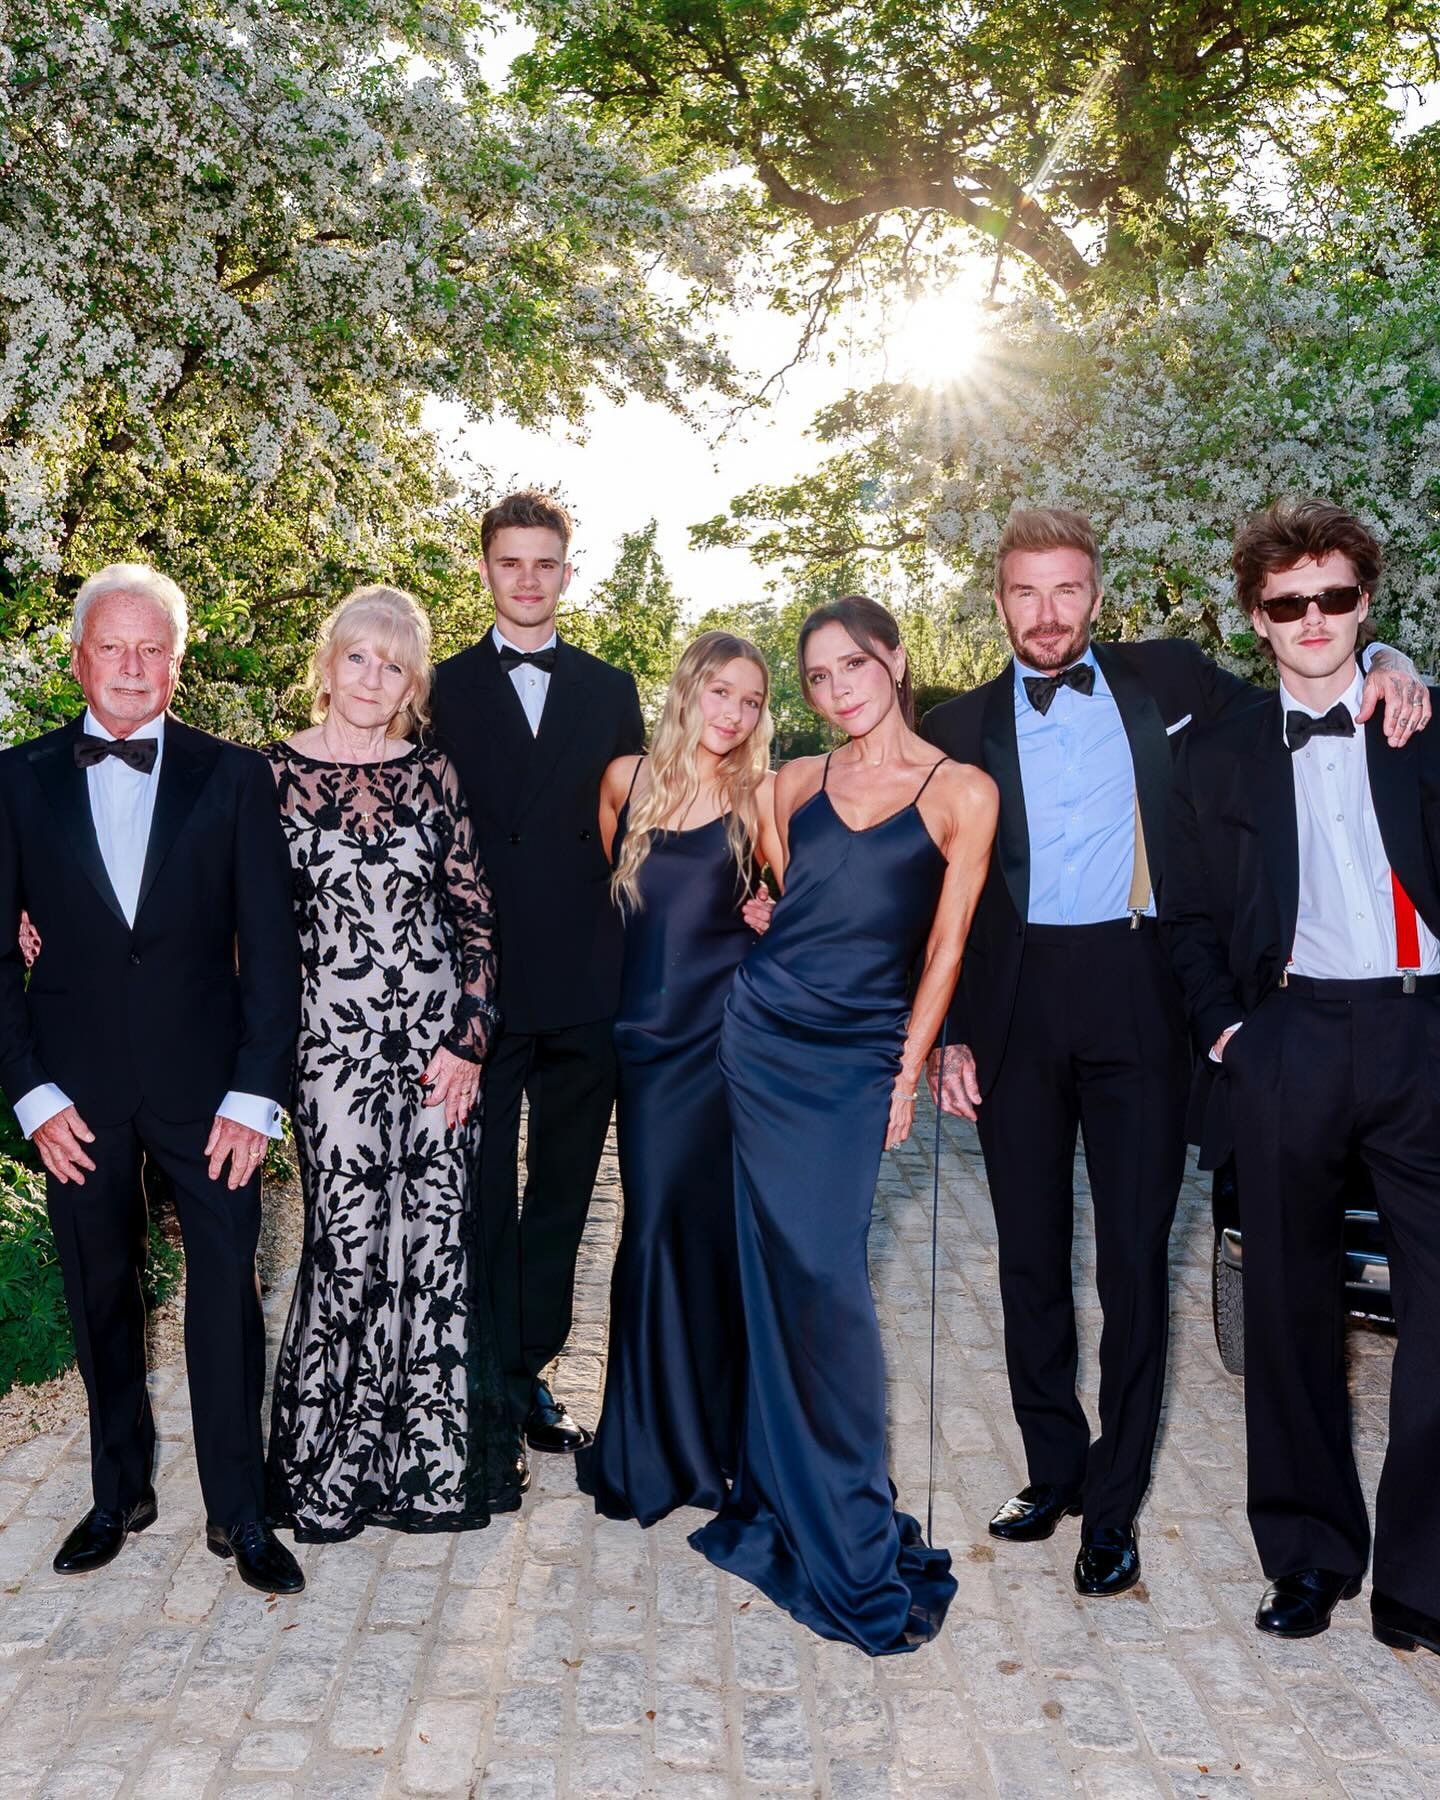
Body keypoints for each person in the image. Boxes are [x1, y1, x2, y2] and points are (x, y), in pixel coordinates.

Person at [920, 507, 1430, 1599]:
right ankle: (1051, 1465)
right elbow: (921, 877)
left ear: (1097, 595)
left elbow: (1315, 672)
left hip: (1143, 1000)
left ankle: (1115, 1505)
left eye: (1068, 590)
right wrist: (949, 1030)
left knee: (1133, 1266)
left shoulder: (1175, 683)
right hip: (1014, 1007)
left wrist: (1392, 658)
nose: (1048, 613)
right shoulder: (957, 727)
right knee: (1026, 1258)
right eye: (1026, 592)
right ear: (999, 602)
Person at [690, 596, 997, 1655]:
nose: (834, 691)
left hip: (861, 1059)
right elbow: (789, 898)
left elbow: (946, 948)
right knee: (777, 1275)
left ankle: (851, 1524)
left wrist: (909, 1070)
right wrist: (767, 916)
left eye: (850, 668)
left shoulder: (961, 790)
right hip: (763, 1040)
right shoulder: (792, 784)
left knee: (827, 1280)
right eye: (815, 679)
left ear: (895, 661)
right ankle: (781, 1493)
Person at [1164, 500, 1440, 1654]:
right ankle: (1309, 1557)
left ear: (1365, 604)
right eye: (1290, 603)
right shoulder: (1211, 753)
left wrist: (1401, 669)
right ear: (1257, 621)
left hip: (1424, 1034)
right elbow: (1184, 916)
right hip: (1288, 1041)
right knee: (1286, 1311)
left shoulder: (1420, 720)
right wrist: (1231, 1035)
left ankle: (1422, 1580)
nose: (1315, 618)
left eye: (1336, 597)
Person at [0, 565, 304, 1594]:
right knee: (100, 1292)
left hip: (212, 1092)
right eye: (112, 647)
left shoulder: (234, 778)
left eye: (152, 649)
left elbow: (271, 952)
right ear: (77, 656)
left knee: (227, 1293)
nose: (131, 668)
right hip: (75, 1097)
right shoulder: (16, 778)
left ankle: (241, 1515)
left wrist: (258, 1095)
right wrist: (32, 1094)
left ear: (178, 659)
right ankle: (116, 1492)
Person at [263, 586, 523, 1540]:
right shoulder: (271, 778)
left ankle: (424, 1473)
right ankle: (326, 1469)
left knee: (432, 1246)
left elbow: (476, 918)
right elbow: (224, 918)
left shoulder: (433, 776)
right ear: (328, 662)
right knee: (344, 1242)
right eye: (359, 658)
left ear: (413, 683)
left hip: (436, 1053)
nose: (374, 679)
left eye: (395, 665)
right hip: (327, 1049)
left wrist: (469, 1039)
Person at [431, 492, 645, 1470]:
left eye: (543, 563)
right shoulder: (436, 687)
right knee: (482, 1199)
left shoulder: (609, 689)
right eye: (509, 562)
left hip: (585, 984)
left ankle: (528, 1377)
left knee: (563, 1197)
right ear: (485, 569)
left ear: (566, 571)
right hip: (475, 997)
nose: (526, 579)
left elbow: (652, 829)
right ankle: (485, 1389)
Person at [579, 631, 781, 1525]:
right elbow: (624, 916)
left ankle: (712, 1443)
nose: (733, 715)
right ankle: (647, 1443)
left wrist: (774, 916)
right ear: (688, 691)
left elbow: (803, 909)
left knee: (708, 1235)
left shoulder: (762, 798)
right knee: (653, 1227)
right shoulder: (627, 780)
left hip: (724, 1047)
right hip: (645, 1047)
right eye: (720, 694)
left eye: (750, 700)